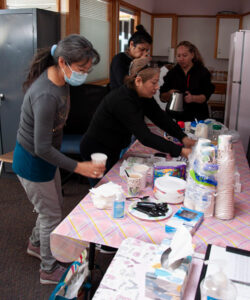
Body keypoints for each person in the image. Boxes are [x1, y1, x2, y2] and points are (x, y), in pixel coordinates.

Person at [12, 34, 105, 285]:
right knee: (51, 215)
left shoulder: (61, 79)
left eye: (88, 69)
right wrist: (79, 167)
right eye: (82, 69)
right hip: (33, 160)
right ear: (63, 62)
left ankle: (35, 243)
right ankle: (48, 268)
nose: (84, 73)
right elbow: (41, 148)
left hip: (46, 156)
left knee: (52, 206)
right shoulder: (46, 95)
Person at [80, 57, 196, 188]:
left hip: (112, 147)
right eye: (154, 83)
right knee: (102, 190)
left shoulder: (142, 95)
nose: (157, 87)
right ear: (139, 81)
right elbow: (145, 137)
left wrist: (183, 137)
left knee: (112, 185)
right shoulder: (122, 100)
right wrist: (180, 151)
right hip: (97, 150)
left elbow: (161, 118)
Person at [160, 41, 215, 121]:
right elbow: (162, 96)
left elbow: (206, 95)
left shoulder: (202, 72)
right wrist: (168, 94)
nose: (181, 59)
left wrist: (193, 98)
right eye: (178, 56)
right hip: (175, 117)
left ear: (192, 55)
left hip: (197, 117)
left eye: (184, 55)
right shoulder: (172, 73)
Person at [109, 24, 152, 90]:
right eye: (141, 49)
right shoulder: (119, 59)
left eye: (147, 50)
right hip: (120, 97)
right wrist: (137, 65)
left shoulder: (141, 60)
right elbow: (124, 83)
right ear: (131, 44)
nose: (145, 53)